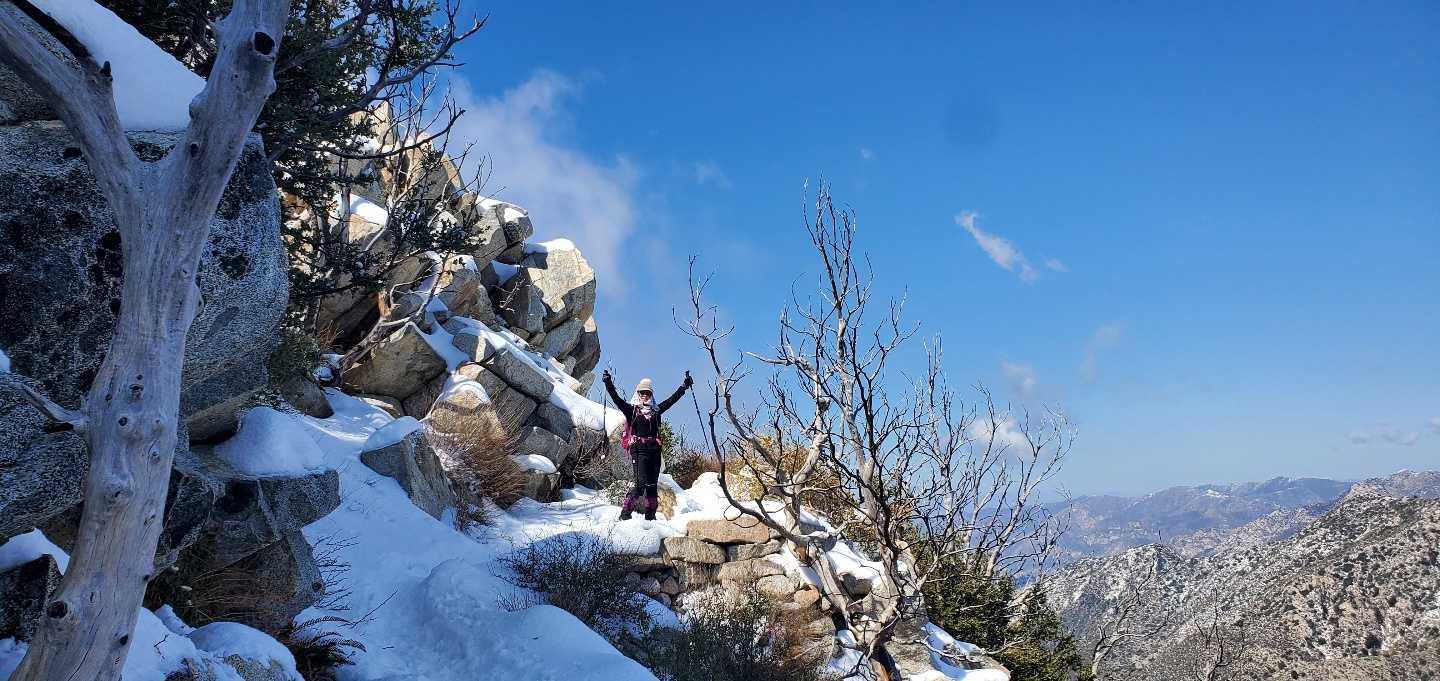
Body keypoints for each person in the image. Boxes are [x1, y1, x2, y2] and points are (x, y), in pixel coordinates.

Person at [603, 369, 693, 520]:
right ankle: (625, 514)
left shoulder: (656, 411)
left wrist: (684, 386)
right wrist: (608, 382)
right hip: (639, 450)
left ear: (651, 395)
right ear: (637, 393)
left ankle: (650, 518)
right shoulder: (631, 410)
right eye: (642, 392)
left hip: (655, 451)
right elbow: (616, 398)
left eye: (648, 393)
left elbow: (672, 400)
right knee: (640, 485)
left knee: (652, 485)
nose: (645, 395)